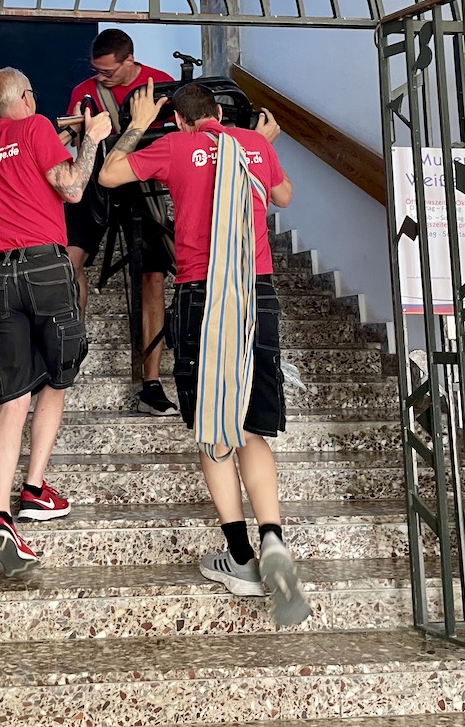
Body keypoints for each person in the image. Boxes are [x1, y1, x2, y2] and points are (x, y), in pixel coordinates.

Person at [99, 79, 310, 627]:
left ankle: (239, 556)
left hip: (202, 295)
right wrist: (262, 145)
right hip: (257, 295)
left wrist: (138, 125)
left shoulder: (174, 145)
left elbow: (109, 175)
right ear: (219, 111)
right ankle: (273, 538)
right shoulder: (253, 144)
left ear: (181, 119)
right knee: (252, 430)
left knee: (217, 430)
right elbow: (284, 196)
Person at [0, 66, 112, 576]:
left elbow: (24, 171)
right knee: (58, 376)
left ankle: (1, 515)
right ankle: (33, 488)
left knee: (13, 397)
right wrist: (91, 138)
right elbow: (71, 188)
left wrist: (59, 141)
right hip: (45, 269)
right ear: (27, 97)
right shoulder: (35, 128)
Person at [64, 28, 176, 416]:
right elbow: (73, 142)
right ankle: (70, 346)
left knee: (154, 276)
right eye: (96, 70)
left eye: (108, 72)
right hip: (95, 183)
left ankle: (152, 380)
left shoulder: (160, 83)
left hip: (144, 182)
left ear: (130, 60)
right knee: (68, 261)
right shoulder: (84, 91)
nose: (101, 78)